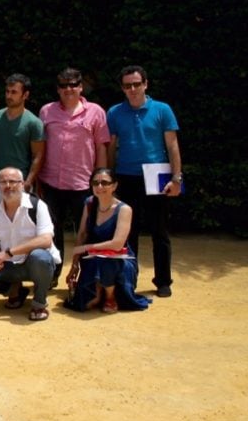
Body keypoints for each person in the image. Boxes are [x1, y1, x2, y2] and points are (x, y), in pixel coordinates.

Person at [107, 65, 182, 297]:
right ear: (122, 88)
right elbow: (110, 148)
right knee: (128, 233)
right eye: (127, 85)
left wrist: (177, 178)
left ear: (145, 84)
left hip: (157, 174)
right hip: (126, 175)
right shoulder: (114, 112)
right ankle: (129, 280)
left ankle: (163, 281)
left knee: (159, 231)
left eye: (136, 84)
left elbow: (172, 145)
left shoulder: (162, 109)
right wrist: (109, 178)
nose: (132, 89)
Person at [38, 68, 110, 284]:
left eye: (73, 84)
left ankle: (87, 277)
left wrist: (101, 181)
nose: (68, 89)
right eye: (63, 85)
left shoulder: (96, 112)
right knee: (51, 232)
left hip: (83, 184)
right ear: (58, 89)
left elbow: (101, 148)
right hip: (51, 183)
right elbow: (39, 147)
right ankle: (52, 274)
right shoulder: (46, 111)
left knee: (86, 232)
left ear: (81, 86)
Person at [0, 167, 60, 322]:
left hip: (34, 264)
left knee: (41, 257)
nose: (8, 186)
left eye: (13, 181)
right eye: (3, 182)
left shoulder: (38, 206)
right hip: (9, 266)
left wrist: (8, 252)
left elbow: (46, 240)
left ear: (22, 184)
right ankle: (15, 289)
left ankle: (39, 303)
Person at [62, 168, 151, 313]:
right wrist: (75, 264)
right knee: (84, 304)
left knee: (106, 261)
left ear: (114, 186)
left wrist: (86, 248)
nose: (99, 187)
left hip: (120, 259)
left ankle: (110, 296)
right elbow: (82, 233)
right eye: (95, 183)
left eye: (104, 183)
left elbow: (117, 244)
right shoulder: (90, 203)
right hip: (93, 256)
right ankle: (98, 293)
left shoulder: (124, 209)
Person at [0, 73, 44, 211]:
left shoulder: (34, 123)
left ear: (25, 95)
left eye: (14, 92)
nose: (9, 96)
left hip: (18, 184)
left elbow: (38, 156)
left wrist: (28, 182)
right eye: (7, 91)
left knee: (18, 229)